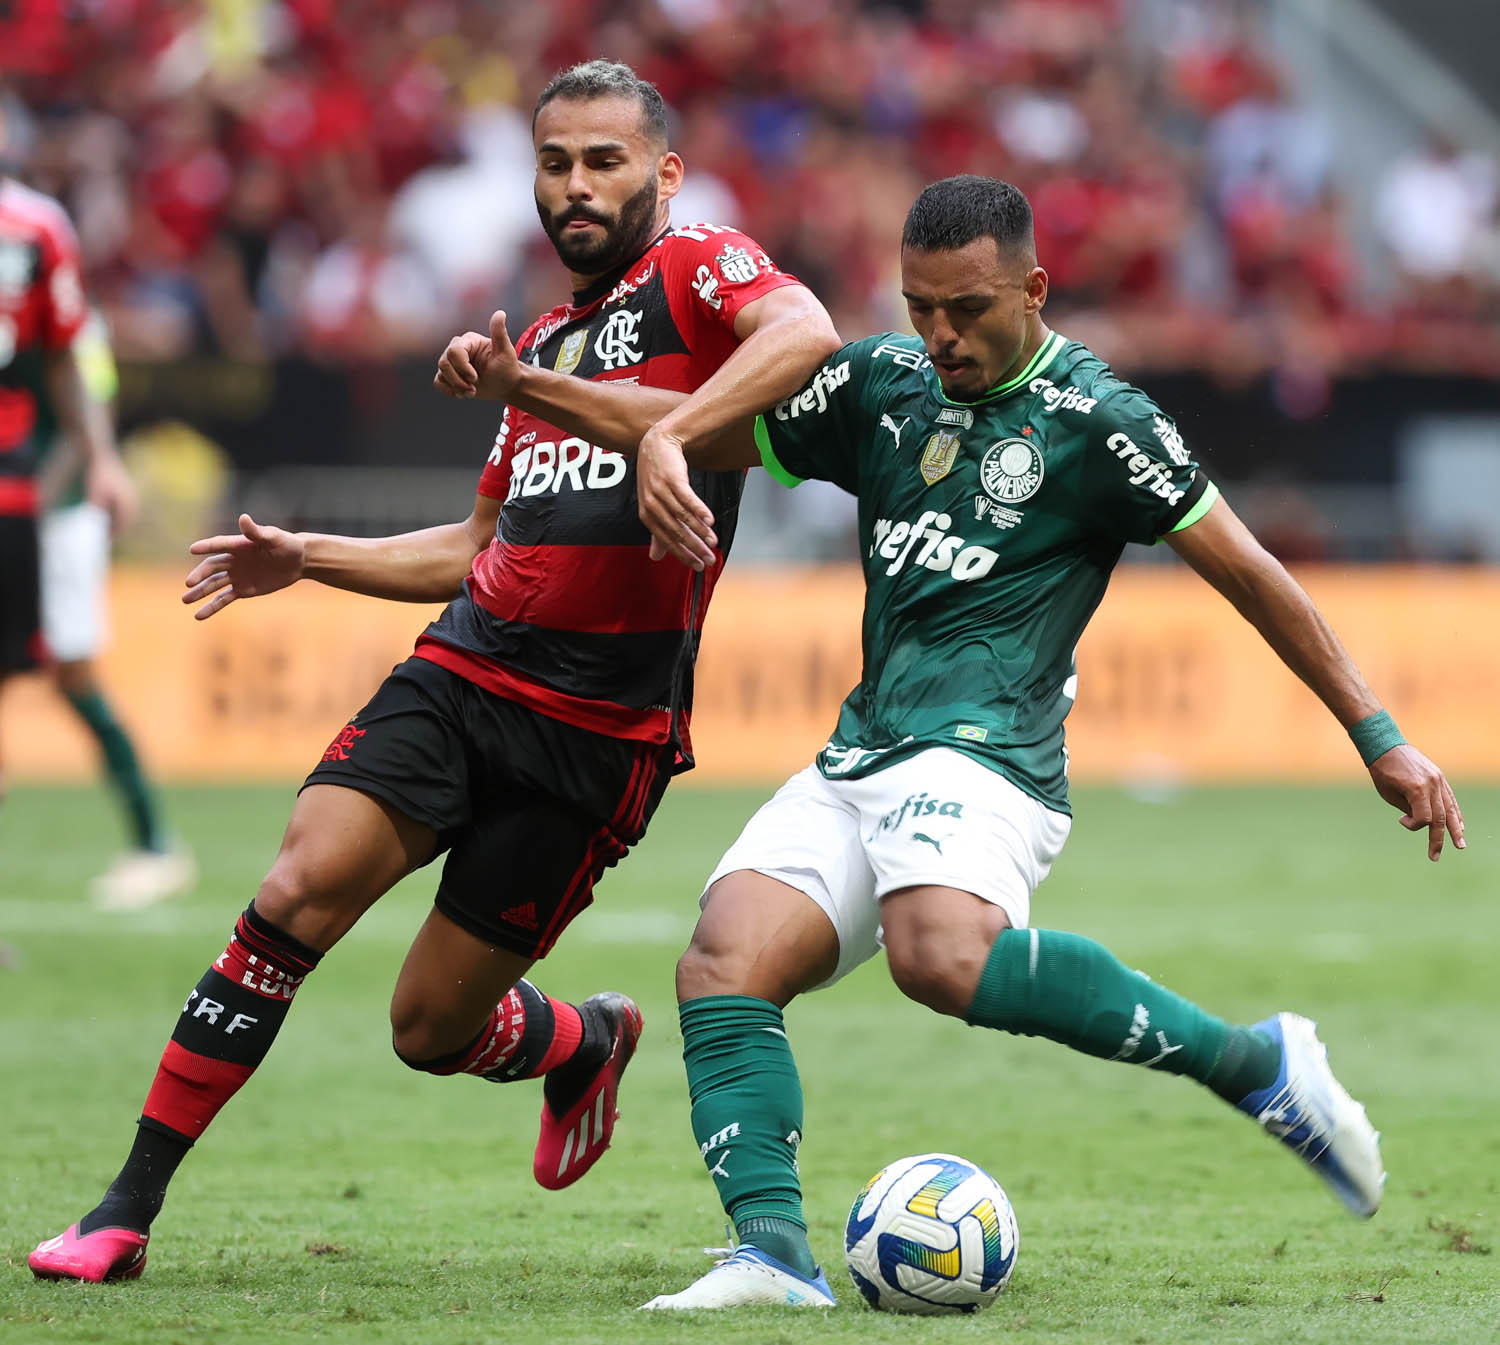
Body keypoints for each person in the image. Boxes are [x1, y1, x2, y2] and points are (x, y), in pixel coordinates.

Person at [476, 174, 1463, 1309]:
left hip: (991, 751)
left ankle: (1257, 1063)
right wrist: (531, 390)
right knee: (723, 959)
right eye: (919, 306)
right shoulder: (879, 385)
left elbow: (1252, 573)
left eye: (969, 309)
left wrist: (1378, 735)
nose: (941, 334)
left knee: (937, 955)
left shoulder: (1104, 422)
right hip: (867, 745)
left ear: (1034, 289)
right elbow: (694, 426)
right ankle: (774, 1255)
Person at [28, 60, 840, 1284]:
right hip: (466, 675)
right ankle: (123, 1208)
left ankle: (579, 1037)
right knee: (297, 890)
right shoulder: (546, 343)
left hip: (598, 735)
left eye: (605, 160)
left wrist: (666, 429)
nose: (576, 184)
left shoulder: (699, 270)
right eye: (556, 161)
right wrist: (307, 556)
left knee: (429, 1027)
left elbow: (811, 332)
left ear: (663, 172)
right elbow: (472, 548)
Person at [35, 309, 195, 909]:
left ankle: (155, 843)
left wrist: (31, 507)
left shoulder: (73, 320)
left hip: (56, 523)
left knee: (74, 676)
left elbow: (91, 411)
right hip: (23, 518)